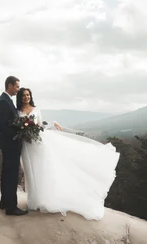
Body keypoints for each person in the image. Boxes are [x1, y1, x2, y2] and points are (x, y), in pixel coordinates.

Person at [16, 87, 120, 220]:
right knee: (30, 171)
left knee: (41, 169)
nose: (26, 97)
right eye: (24, 95)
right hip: (26, 145)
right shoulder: (17, 111)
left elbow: (40, 125)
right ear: (20, 97)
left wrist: (53, 124)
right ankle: (33, 200)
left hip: (37, 143)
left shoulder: (36, 109)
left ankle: (44, 199)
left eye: (28, 95)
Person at [0, 76, 28, 216]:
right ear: (9, 85)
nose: (18, 89)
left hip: (8, 144)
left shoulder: (6, 100)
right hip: (10, 144)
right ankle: (11, 207)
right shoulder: (3, 101)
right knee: (12, 175)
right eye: (17, 87)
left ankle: (4, 202)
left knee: (6, 174)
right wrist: (17, 135)